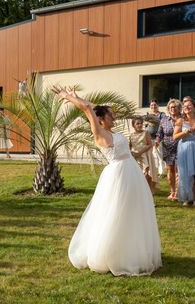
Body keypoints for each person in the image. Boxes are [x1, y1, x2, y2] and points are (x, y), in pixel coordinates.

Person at [54, 87, 162, 276]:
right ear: (102, 120)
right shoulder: (100, 133)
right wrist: (68, 97)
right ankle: (111, 253)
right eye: (111, 115)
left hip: (131, 171)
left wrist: (79, 97)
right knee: (116, 211)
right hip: (119, 174)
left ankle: (131, 249)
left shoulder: (109, 127)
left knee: (133, 211)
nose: (115, 117)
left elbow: (95, 108)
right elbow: (89, 109)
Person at [156, 99, 181, 200]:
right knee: (170, 170)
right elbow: (159, 133)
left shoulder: (183, 119)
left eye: (175, 107)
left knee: (179, 170)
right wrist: (157, 141)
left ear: (179, 108)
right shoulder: (164, 120)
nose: (173, 109)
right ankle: (172, 192)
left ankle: (179, 192)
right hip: (167, 148)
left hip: (181, 147)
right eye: (171, 107)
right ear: (168, 109)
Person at [128, 116, 158, 192]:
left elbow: (150, 144)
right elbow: (130, 146)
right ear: (133, 125)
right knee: (137, 174)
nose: (140, 125)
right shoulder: (131, 135)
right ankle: (139, 190)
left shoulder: (146, 133)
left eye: (141, 123)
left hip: (145, 156)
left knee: (146, 174)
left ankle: (147, 190)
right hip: (135, 157)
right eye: (137, 123)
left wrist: (140, 152)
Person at [145, 100, 165, 177]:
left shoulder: (161, 114)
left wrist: (153, 122)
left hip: (158, 138)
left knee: (160, 155)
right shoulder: (148, 115)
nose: (153, 106)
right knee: (152, 155)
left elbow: (162, 123)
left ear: (158, 105)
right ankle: (153, 171)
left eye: (155, 105)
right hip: (149, 138)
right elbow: (145, 126)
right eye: (152, 105)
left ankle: (161, 172)